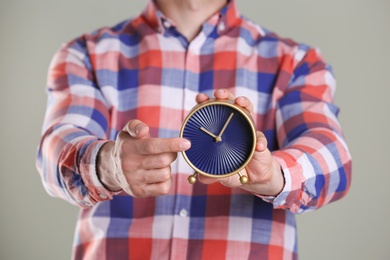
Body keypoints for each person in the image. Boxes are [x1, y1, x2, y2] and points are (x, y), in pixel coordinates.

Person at [36, 0, 352, 259]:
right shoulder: (86, 55)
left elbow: (333, 160)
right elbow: (55, 151)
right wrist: (108, 163)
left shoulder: (296, 62)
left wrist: (272, 174)